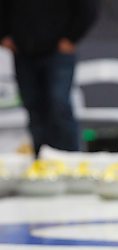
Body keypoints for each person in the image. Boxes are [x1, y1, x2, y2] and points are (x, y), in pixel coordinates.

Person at [0, 0, 99, 157]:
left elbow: (89, 8)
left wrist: (71, 38)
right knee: (34, 108)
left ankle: (70, 160)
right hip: (24, 52)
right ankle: (41, 161)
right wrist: (3, 35)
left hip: (58, 52)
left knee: (59, 105)